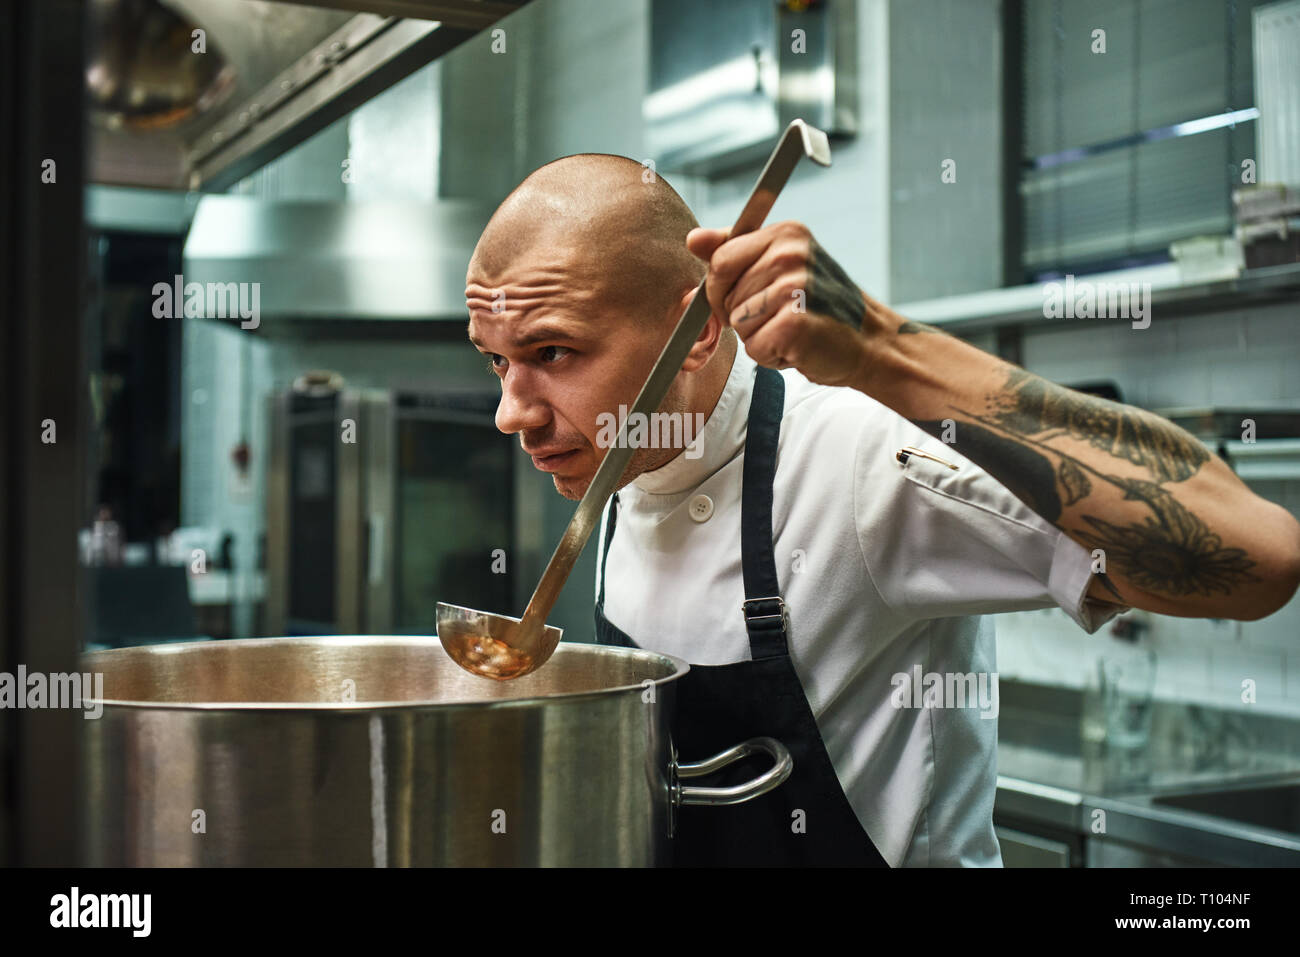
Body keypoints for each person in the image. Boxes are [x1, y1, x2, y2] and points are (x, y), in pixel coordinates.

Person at [463, 153, 1300, 866]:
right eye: (499, 362)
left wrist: (881, 345)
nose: (513, 412)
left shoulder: (862, 461)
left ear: (697, 333)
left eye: (553, 352)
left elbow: (1259, 557)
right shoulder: (624, 469)